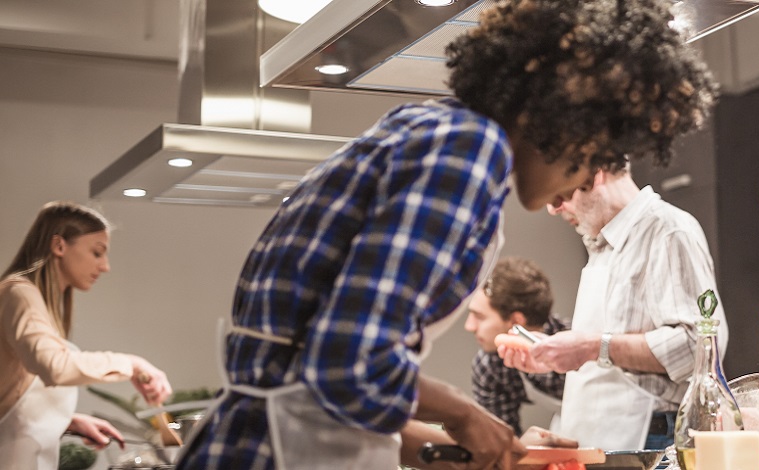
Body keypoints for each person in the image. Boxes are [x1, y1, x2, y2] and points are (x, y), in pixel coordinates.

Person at [176, 0, 717, 467]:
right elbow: (347, 362)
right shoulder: (468, 150)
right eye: (597, 147)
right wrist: (463, 413)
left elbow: (314, 378)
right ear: (567, 118)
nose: (582, 177)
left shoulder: (428, 128)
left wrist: (466, 438)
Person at [499, 165, 724, 451]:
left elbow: (699, 345)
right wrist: (558, 356)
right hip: (598, 441)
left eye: (560, 196)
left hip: (649, 444)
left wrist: (592, 347)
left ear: (595, 174)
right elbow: (608, 353)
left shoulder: (666, 230)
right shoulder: (602, 245)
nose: (553, 209)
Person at [1, 201, 173, 469]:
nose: (105, 266)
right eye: (97, 252)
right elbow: (55, 367)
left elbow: (10, 393)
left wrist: (67, 422)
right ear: (59, 246)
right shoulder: (19, 293)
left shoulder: (30, 299)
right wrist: (131, 364)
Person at [464, 257, 567, 431]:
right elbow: (500, 435)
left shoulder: (574, 342)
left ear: (516, 322)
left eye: (479, 317)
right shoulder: (490, 366)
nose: (469, 326)